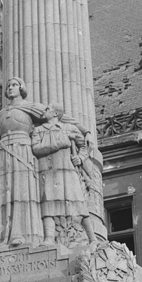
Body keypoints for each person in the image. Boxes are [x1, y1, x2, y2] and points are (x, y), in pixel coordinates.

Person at [0, 77, 46, 248]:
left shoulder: (31, 107)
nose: (10, 88)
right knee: (5, 192)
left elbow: (55, 116)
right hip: (3, 152)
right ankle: (4, 236)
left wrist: (83, 131)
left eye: (14, 85)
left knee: (21, 191)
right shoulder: (0, 114)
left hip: (22, 149)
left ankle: (22, 233)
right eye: (9, 85)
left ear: (22, 88)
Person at [31, 104, 96, 245]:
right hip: (47, 171)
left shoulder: (70, 128)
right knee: (47, 202)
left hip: (67, 169)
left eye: (47, 109)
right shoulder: (38, 130)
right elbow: (36, 149)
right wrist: (61, 141)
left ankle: (92, 238)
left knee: (79, 202)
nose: (44, 111)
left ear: (55, 114)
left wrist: (80, 157)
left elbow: (84, 146)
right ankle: (49, 237)